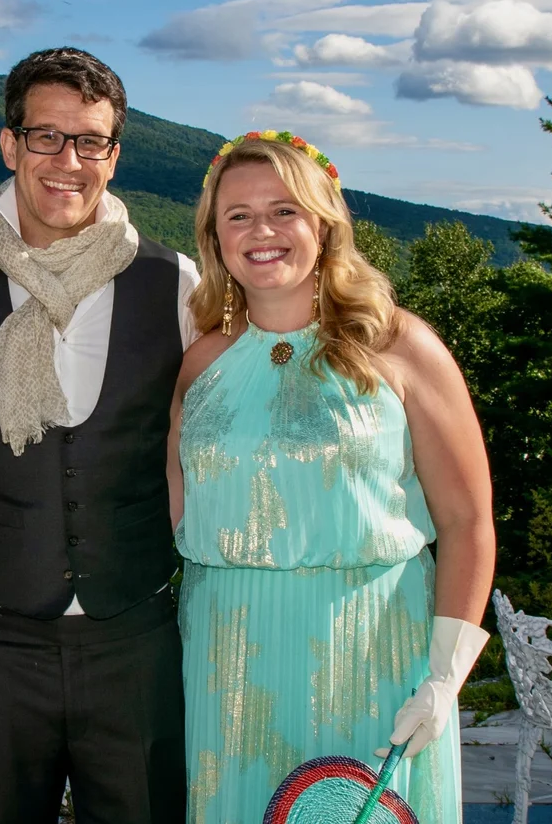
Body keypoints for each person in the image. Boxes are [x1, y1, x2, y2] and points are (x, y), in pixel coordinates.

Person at [0, 47, 199, 823]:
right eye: (46, 137)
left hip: (136, 639)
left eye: (90, 140)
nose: (69, 160)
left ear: (114, 155)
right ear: (10, 144)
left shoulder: (177, 285)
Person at [171, 132, 496, 824]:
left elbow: (469, 521)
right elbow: (179, 516)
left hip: (375, 658)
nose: (262, 231)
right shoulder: (201, 365)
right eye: (238, 215)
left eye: (284, 210)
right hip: (228, 663)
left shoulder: (401, 346)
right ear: (214, 237)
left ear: (324, 224)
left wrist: (444, 676)